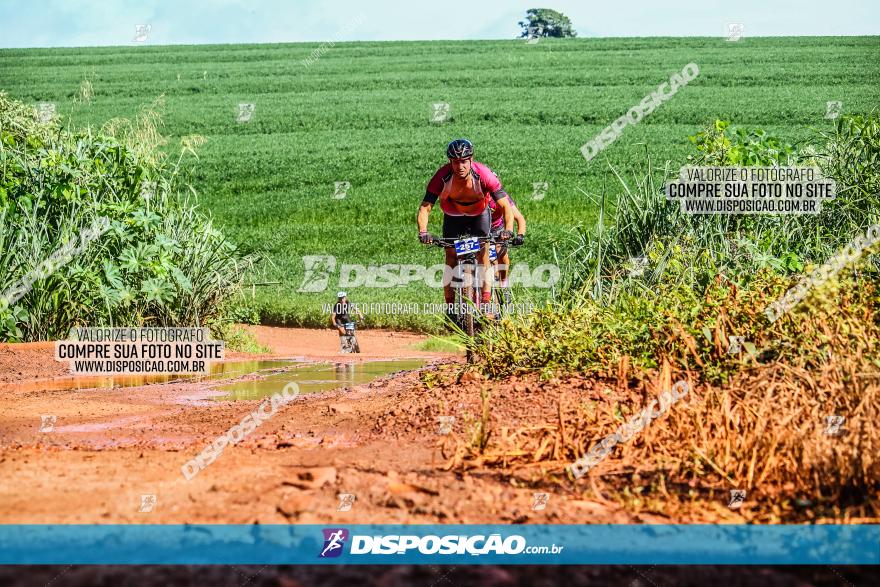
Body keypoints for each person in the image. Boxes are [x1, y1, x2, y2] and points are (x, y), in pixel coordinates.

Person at [416, 139, 515, 309]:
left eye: (463, 161)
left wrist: (508, 230)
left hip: (479, 215)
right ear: (450, 162)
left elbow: (506, 206)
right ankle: (450, 307)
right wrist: (423, 231)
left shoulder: (484, 175)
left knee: (483, 252)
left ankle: (485, 302)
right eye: (455, 162)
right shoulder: (441, 177)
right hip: (453, 216)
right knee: (451, 257)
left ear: (471, 160)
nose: (459, 166)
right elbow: (425, 207)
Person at [487, 194, 526, 289]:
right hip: (477, 229)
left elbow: (520, 218)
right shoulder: (473, 193)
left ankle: (503, 284)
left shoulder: (501, 196)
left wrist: (520, 235)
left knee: (501, 253)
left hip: (496, 229)